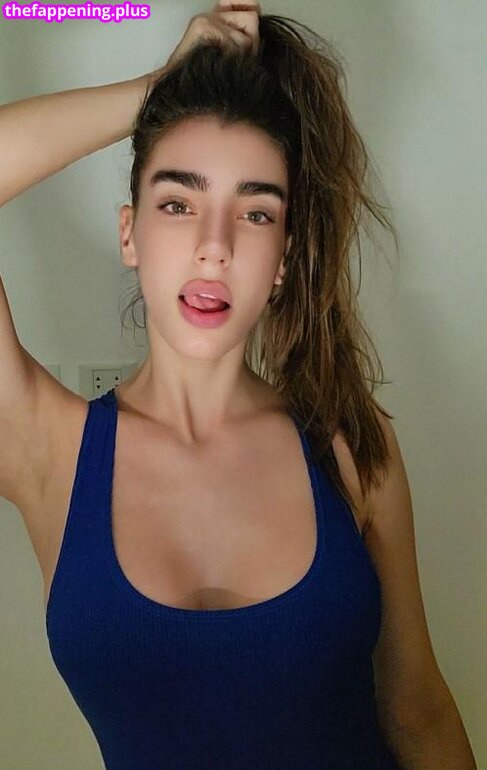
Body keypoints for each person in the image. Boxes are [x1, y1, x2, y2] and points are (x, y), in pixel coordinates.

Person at [0, 1, 477, 769]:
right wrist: (156, 88)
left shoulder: (348, 442)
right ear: (128, 233)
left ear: (283, 258)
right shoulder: (45, 447)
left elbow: (418, 711)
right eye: (177, 203)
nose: (213, 246)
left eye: (254, 214)